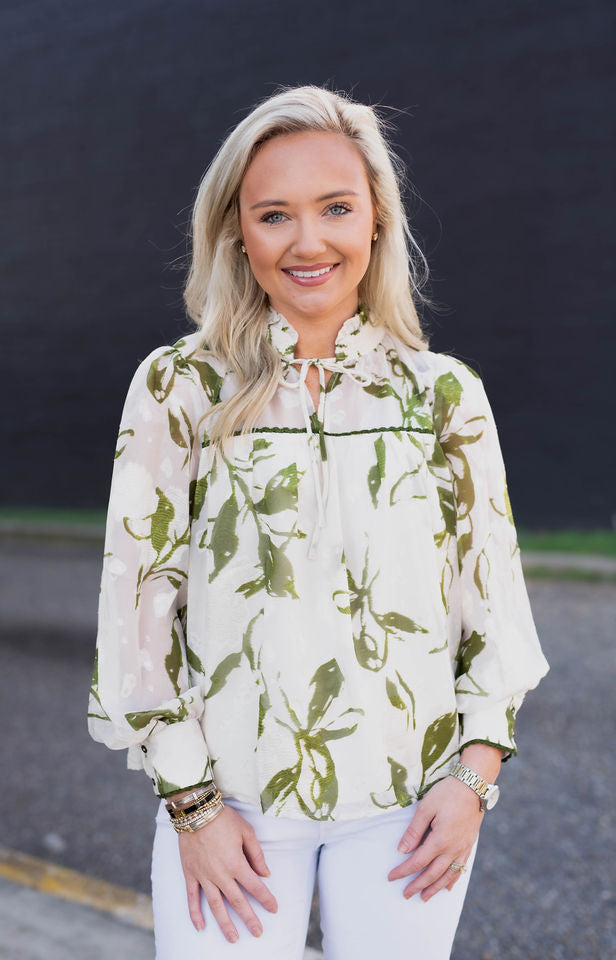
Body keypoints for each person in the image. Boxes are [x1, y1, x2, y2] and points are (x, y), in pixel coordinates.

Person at [88, 84, 549, 959]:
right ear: (237, 232)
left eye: (336, 207)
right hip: (232, 816)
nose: (308, 242)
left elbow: (495, 612)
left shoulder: (444, 393)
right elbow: (138, 620)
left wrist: (474, 780)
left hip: (410, 814)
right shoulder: (177, 387)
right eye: (274, 215)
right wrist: (192, 808)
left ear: (376, 217)